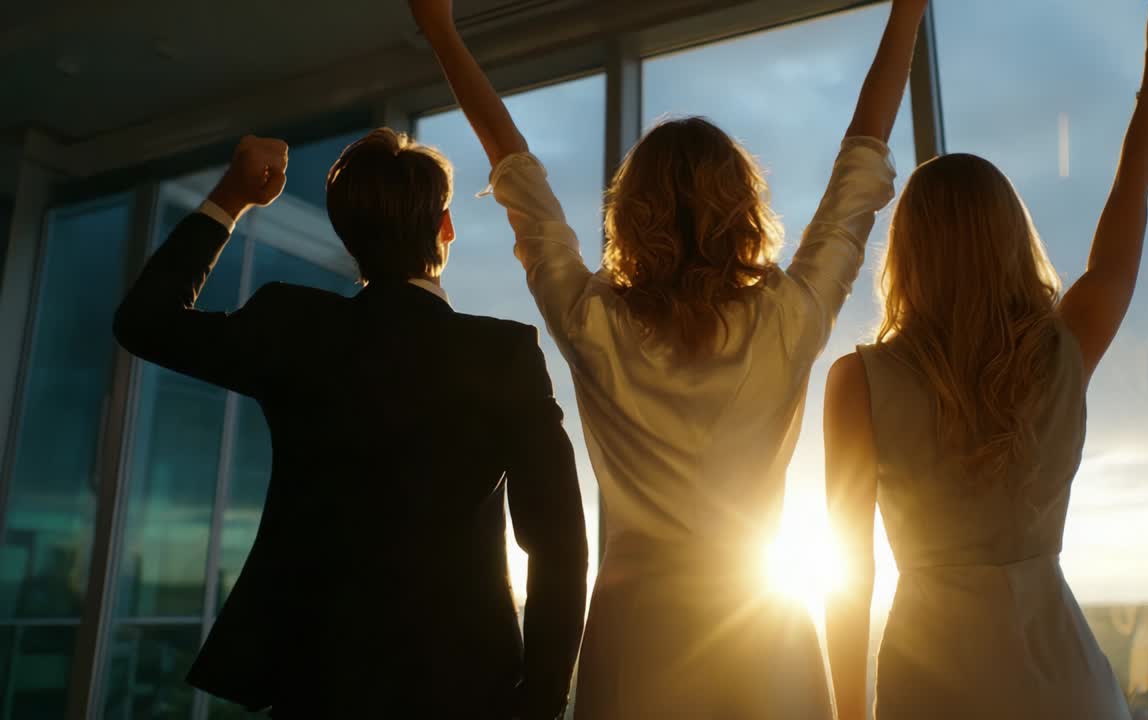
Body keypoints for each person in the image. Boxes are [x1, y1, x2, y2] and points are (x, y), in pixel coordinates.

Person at [410, 0, 924, 715]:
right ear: (743, 207)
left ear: (632, 212)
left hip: (636, 641)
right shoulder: (787, 321)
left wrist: (441, 31)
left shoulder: (595, 324)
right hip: (766, 640)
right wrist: (907, 12)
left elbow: (515, 173)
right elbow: (861, 168)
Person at [113, 130, 588, 719]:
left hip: (315, 681)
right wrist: (541, 700)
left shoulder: (294, 327)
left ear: (347, 235)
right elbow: (559, 544)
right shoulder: (502, 354)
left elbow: (145, 322)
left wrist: (230, 199)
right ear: (446, 226)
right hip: (464, 686)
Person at [822, 0, 1148, 718]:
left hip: (931, 687)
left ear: (906, 258)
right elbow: (1131, 201)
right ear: (1010, 241)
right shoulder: (1064, 348)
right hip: (1066, 685)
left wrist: (848, 714)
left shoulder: (860, 383)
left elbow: (851, 577)